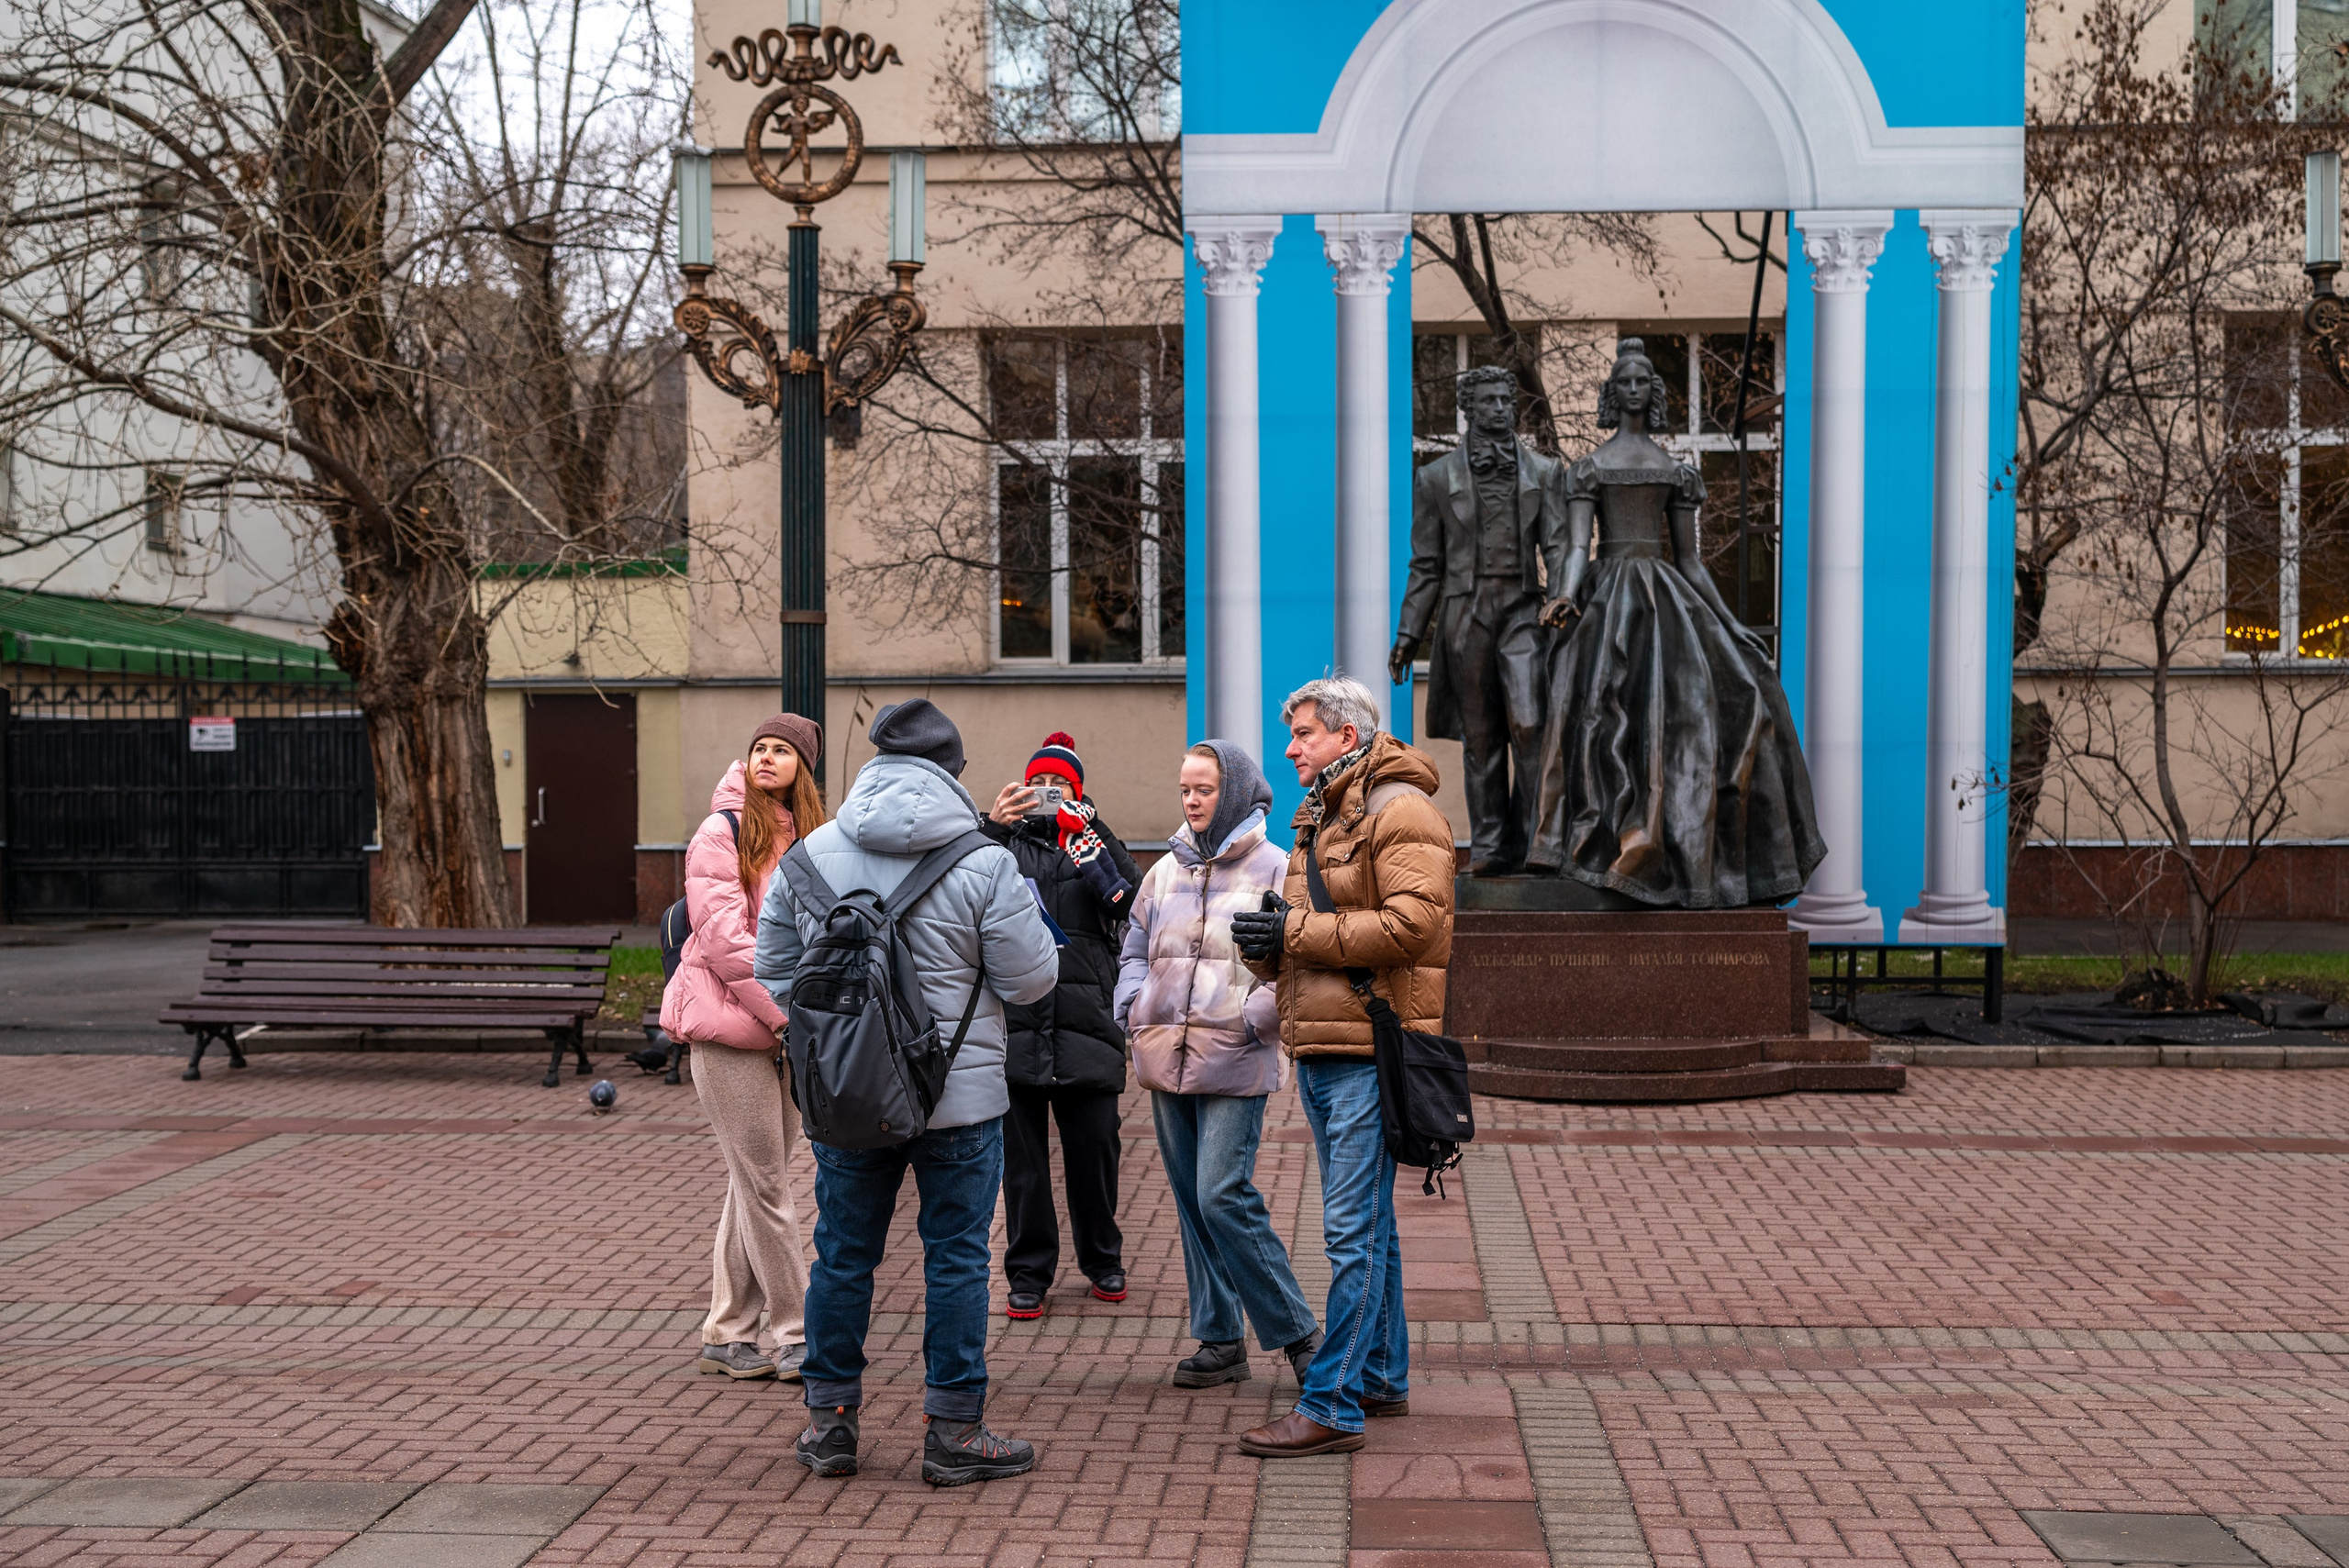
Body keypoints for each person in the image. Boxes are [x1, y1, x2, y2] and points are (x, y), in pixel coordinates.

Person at [754, 697, 1061, 1486]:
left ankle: (830, 1425)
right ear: (950, 773)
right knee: (956, 1258)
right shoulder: (985, 860)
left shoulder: (813, 853)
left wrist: (843, 1039)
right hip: (958, 1098)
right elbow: (1031, 980)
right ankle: (954, 1430)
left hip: (849, 1096)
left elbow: (775, 972)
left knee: (842, 1255)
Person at [1230, 676, 1454, 1458]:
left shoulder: (1402, 810)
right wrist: (1266, 948)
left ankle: (1332, 1403)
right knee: (1370, 1227)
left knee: (1351, 1232)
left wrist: (1292, 932)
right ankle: (1381, 1373)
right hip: (1325, 1045)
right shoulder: (1322, 814)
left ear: (1348, 737)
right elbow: (1309, 939)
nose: (1289, 748)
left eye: (1305, 734)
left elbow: (1413, 924)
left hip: (1368, 1050)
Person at [1527, 338, 1824, 905]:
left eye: (1642, 381)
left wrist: (1730, 623)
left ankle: (1694, 857)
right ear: (1612, 393)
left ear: (1653, 393)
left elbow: (1689, 560)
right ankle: (1591, 845)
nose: (1633, 389)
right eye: (1624, 382)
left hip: (1664, 599)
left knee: (1735, 697)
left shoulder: (1676, 472)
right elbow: (1573, 547)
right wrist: (1565, 595)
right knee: (1595, 715)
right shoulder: (1588, 469)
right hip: (1605, 594)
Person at [1117, 739, 1321, 1389]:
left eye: (1203, 788)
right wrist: (1134, 1006)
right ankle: (1219, 1336)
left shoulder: (1274, 867)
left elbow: (1294, 960)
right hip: (1164, 1056)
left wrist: (1253, 1019)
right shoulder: (1164, 870)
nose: (1192, 799)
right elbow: (1134, 947)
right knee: (1190, 1200)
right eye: (1185, 789)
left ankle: (1298, 1333)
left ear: (1231, 790)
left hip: (1234, 1056)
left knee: (1221, 1194)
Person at [659, 713, 827, 1385]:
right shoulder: (721, 832)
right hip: (731, 1033)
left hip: (786, 1033)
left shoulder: (812, 838)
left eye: (781, 750)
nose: (765, 758)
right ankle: (791, 1333)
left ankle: (727, 1331)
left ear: (802, 768)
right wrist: (789, 1017)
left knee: (751, 1181)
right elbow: (729, 944)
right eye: (758, 747)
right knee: (765, 1184)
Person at [981, 731, 1142, 1318]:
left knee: (1094, 1155)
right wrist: (994, 826)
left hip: (1087, 1025)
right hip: (1017, 1028)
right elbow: (961, 888)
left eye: (1061, 786)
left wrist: (1093, 838)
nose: (1049, 794)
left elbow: (1134, 904)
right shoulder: (1003, 847)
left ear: (1079, 793)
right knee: (1021, 1169)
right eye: (1039, 784)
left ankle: (1103, 1259)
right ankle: (1028, 1273)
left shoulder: (1095, 845)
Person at [1388, 364, 1567, 874]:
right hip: (1466, 615)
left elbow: (1557, 548)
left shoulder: (1545, 472)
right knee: (1482, 736)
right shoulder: (1436, 478)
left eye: (1505, 401)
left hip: (1522, 611)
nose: (1498, 409)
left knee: (1532, 725)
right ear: (1468, 409)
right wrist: (1408, 633)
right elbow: (1426, 565)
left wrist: (1564, 598)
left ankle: (1537, 842)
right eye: (1487, 401)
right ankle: (1489, 846)